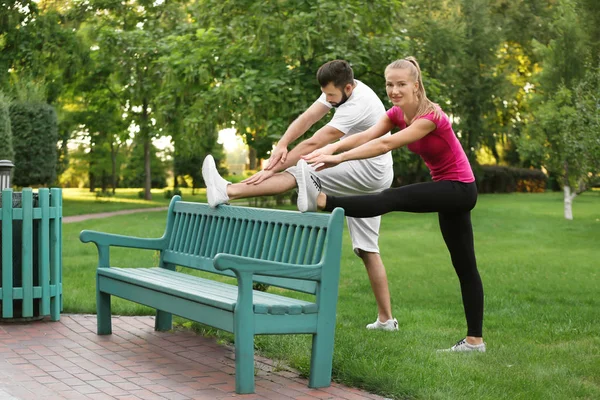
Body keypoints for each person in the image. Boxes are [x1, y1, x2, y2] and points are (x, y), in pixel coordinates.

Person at [299, 57, 485, 352]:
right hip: (450, 190)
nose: (394, 90)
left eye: (401, 84)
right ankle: (475, 341)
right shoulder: (397, 113)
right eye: (389, 84)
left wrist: (338, 158)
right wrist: (333, 146)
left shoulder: (430, 116)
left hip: (459, 188)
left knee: (391, 197)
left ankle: (321, 200)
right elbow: (367, 135)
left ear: (415, 85)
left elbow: (385, 144)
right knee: (464, 266)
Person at [202, 60, 399, 331]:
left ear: (349, 88)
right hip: (372, 173)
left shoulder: (357, 103)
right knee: (367, 249)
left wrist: (270, 168)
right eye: (326, 95)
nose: (328, 99)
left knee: (299, 170)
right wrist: (282, 144)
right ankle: (387, 320)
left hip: (368, 171)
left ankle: (228, 191)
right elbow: (308, 118)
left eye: (331, 96)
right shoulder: (340, 89)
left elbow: (316, 140)